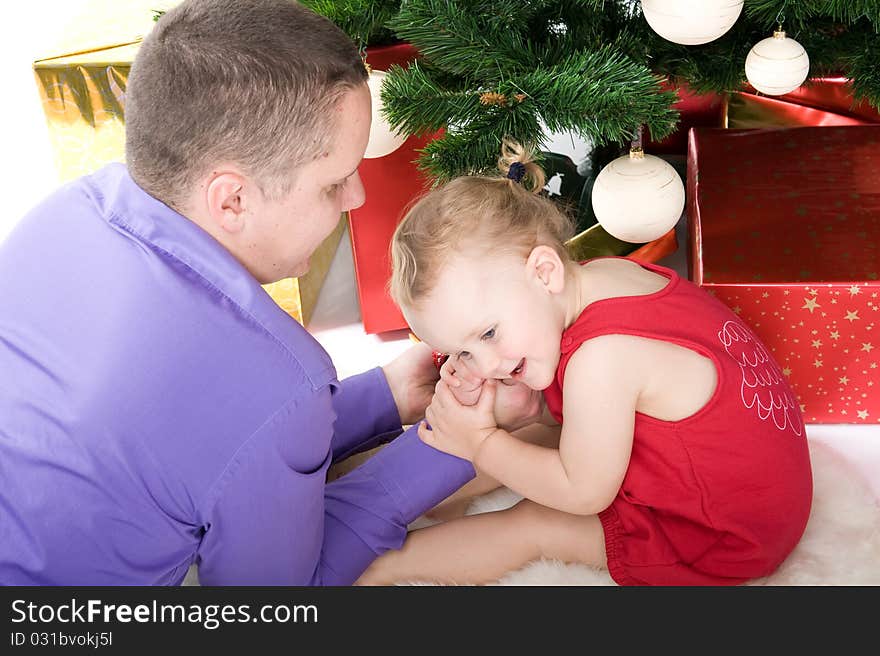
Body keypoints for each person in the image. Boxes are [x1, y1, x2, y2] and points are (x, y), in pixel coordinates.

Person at [0, 0, 485, 585]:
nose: (357, 197)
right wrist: (444, 448)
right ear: (232, 200)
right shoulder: (276, 378)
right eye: (334, 182)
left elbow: (207, 441)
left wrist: (387, 393)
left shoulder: (62, 212)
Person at [356, 141, 814, 586]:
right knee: (537, 435)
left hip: (721, 534)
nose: (487, 363)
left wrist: (482, 444)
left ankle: (373, 568)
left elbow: (582, 492)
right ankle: (387, 492)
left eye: (489, 333)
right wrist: (502, 424)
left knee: (536, 522)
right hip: (759, 486)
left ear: (544, 272)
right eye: (464, 351)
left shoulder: (602, 358)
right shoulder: (603, 277)